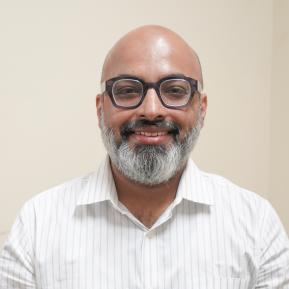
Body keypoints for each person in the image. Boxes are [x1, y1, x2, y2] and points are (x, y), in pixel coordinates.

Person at [0, 25, 288, 289]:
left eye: (175, 90)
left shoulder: (256, 225)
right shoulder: (37, 226)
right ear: (101, 108)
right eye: (127, 91)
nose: (151, 110)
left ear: (202, 108)